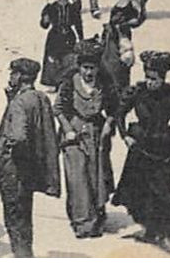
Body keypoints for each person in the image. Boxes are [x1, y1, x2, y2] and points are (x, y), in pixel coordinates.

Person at [111, 51, 170, 250]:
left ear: (162, 78)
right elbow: (119, 114)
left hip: (165, 148)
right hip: (140, 147)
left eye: (154, 79)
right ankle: (149, 229)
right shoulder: (136, 92)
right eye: (147, 77)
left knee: (164, 191)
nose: (150, 82)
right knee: (140, 189)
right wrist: (125, 136)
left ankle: (166, 234)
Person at [0, 57, 61, 257]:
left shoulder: (20, 103)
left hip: (15, 169)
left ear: (21, 76)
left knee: (14, 216)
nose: (10, 77)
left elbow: (19, 136)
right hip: (31, 169)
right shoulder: (40, 97)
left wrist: (8, 150)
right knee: (25, 214)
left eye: (13, 73)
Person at [55, 43, 115, 239]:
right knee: (78, 178)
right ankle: (82, 222)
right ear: (79, 67)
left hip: (96, 135)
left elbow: (114, 107)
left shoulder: (104, 83)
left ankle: (97, 215)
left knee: (96, 175)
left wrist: (109, 124)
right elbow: (59, 109)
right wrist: (68, 129)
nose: (89, 72)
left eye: (92, 68)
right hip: (74, 135)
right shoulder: (69, 82)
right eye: (85, 68)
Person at [40, 0, 83, 88]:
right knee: (54, 59)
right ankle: (54, 81)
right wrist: (45, 20)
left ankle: (65, 82)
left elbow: (78, 24)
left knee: (68, 58)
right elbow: (44, 25)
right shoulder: (51, 7)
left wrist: (81, 38)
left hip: (69, 36)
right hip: (55, 36)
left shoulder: (73, 8)